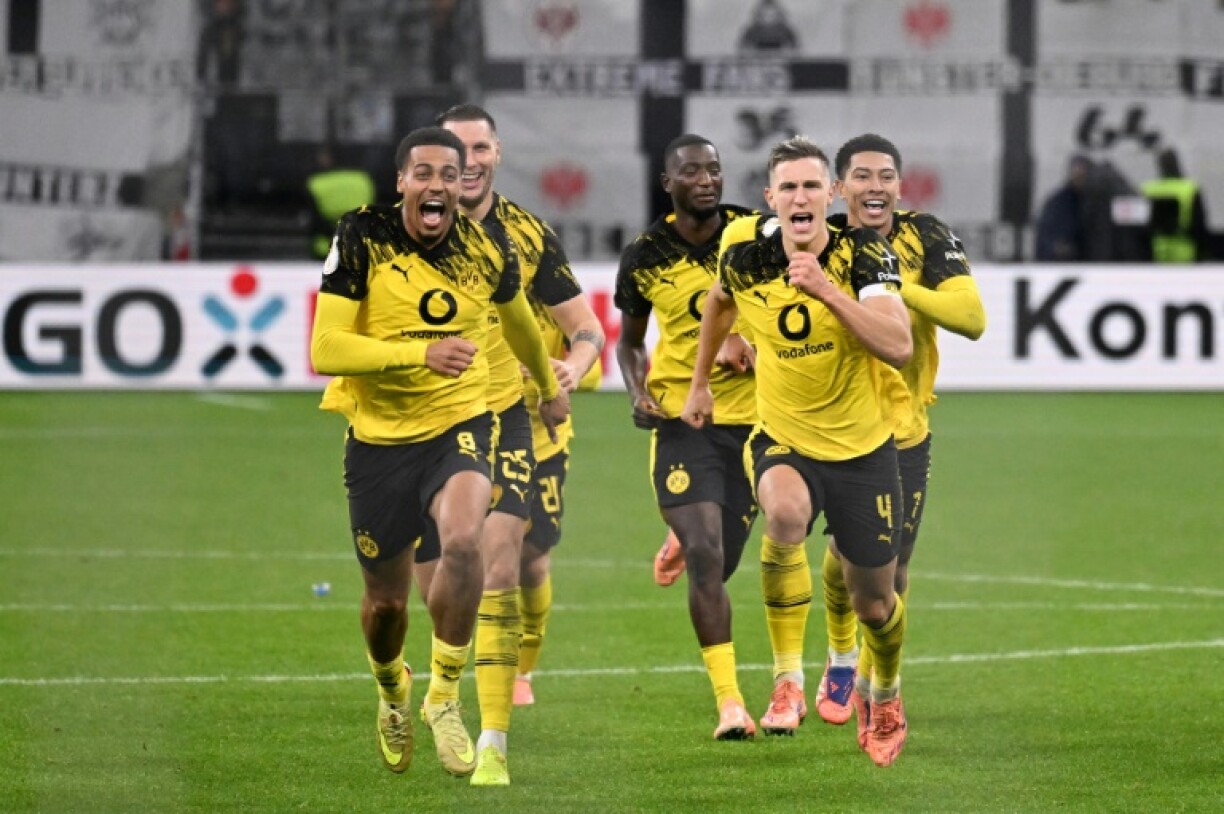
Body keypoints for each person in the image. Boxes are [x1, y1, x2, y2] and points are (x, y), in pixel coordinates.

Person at [308, 126, 570, 780]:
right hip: (377, 440)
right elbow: (326, 349)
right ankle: (393, 689)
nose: (436, 186)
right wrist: (417, 353)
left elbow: (519, 325)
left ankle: (445, 695)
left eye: (448, 176)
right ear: (401, 182)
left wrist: (545, 387)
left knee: (464, 539)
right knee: (387, 606)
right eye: (422, 173)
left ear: (461, 187)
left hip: (461, 422)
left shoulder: (487, 250)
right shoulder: (360, 236)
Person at [681, 135, 912, 767]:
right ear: (770, 199)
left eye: (813, 186)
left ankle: (885, 689)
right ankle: (787, 682)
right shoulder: (747, 256)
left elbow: (898, 345)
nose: (801, 197)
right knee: (782, 514)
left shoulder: (865, 255)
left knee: (875, 603)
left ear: (831, 195)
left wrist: (828, 293)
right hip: (784, 435)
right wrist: (703, 378)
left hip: (863, 449)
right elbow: (719, 304)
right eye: (789, 187)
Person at [415, 103, 604, 787]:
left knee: (506, 563)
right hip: (420, 425)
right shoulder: (396, 232)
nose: (468, 162)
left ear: (496, 155)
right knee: (436, 586)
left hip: (506, 422)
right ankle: (439, 690)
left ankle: (493, 740)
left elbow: (586, 329)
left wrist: (572, 367)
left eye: (480, 148)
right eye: (454, 150)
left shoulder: (528, 235)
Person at [812, 133, 985, 751]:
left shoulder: (925, 237)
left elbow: (971, 320)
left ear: (900, 186)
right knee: (842, 556)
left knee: (892, 570)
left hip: (906, 429)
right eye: (861, 176)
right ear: (840, 188)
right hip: (838, 427)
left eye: (886, 176)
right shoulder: (817, 241)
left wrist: (885, 283)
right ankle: (839, 653)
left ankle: (869, 679)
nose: (875, 187)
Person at [614, 134, 760, 740]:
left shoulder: (755, 235)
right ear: (668, 183)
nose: (707, 179)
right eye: (692, 171)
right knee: (707, 553)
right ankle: (730, 704)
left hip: (756, 422)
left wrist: (750, 341)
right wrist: (637, 392)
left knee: (720, 559)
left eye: (715, 169)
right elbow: (628, 340)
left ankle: (682, 538)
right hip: (684, 421)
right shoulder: (645, 254)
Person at [1142, 147, 1212, 262]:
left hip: (1155, 250)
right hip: (1184, 250)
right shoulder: (1190, 189)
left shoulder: (1148, 189)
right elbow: (1199, 225)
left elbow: (1139, 227)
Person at [306, 146, 376, 260]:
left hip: (325, 249)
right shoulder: (364, 180)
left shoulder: (316, 183)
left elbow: (315, 222)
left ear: (329, 159)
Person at [1034, 155, 1092, 261]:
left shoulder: (1098, 202)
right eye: (1077, 176)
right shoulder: (1057, 204)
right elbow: (1044, 237)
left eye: (1083, 176)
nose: (1080, 180)